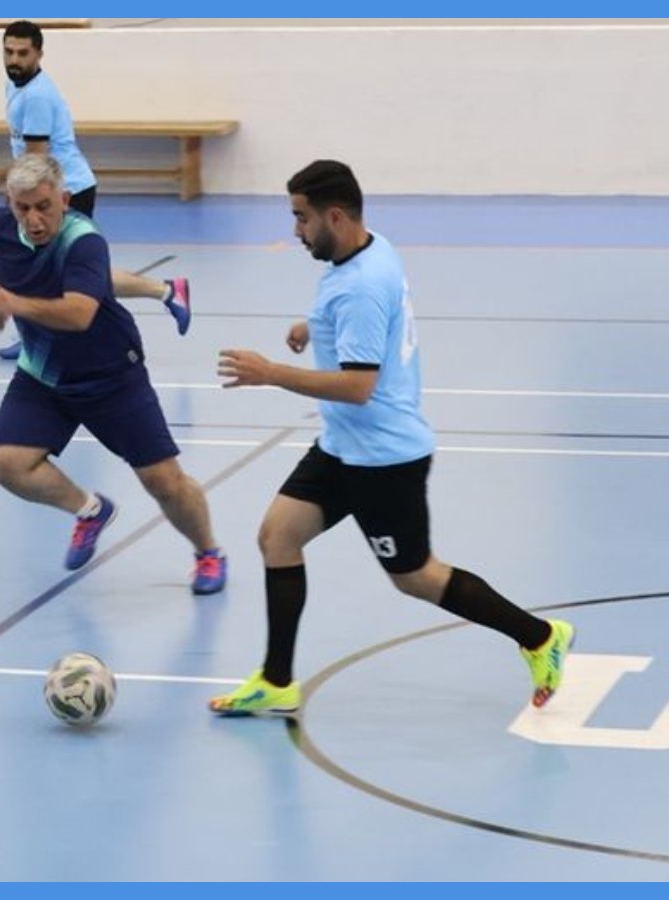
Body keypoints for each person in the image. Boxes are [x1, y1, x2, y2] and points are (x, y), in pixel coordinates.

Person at [208, 160, 573, 716]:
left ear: (335, 216)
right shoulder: (371, 248)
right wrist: (317, 326)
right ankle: (277, 680)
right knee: (277, 536)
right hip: (342, 446)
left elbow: (358, 386)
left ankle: (540, 637)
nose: (296, 230)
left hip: (383, 459)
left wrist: (271, 372)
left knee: (416, 577)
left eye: (302, 218)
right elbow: (361, 319)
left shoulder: (361, 287)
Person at [0, 153, 225, 595]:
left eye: (44, 206)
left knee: (164, 482)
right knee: (6, 464)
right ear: (9, 204)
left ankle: (208, 552)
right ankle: (90, 510)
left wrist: (13, 304)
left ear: (64, 199)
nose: (34, 219)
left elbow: (78, 314)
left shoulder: (84, 242)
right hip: (43, 376)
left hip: (111, 375)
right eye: (23, 208)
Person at [0, 19, 193, 361]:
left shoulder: (37, 96)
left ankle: (164, 291)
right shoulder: (15, 85)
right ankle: (166, 291)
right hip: (39, 186)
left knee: (70, 272)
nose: (14, 59)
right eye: (9, 52)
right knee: (58, 269)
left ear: (39, 54)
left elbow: (37, 155)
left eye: (23, 53)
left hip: (63, 190)